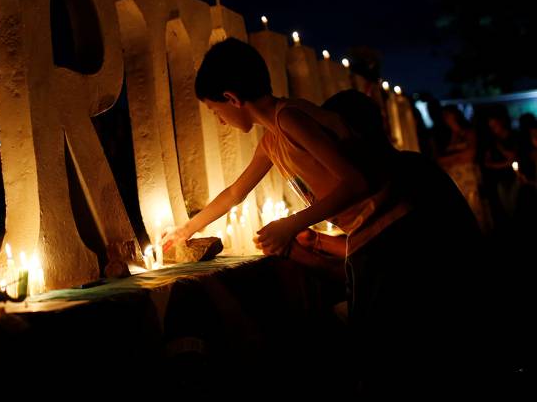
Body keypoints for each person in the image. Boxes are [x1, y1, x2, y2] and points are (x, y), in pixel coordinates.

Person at [162, 38, 493, 394]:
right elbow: (234, 193)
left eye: (215, 111)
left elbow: (355, 181)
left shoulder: (290, 117)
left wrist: (290, 224)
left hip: (392, 236)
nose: (220, 121)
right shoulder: (272, 139)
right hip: (370, 240)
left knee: (399, 353)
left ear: (231, 98)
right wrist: (185, 230)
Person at [438, 105, 492, 232]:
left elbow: (470, 155)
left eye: (448, 115)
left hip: (469, 178)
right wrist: (457, 157)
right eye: (444, 116)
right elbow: (439, 160)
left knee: (474, 208)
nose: (446, 118)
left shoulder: (469, 132)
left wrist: (450, 158)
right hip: (454, 180)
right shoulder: (447, 137)